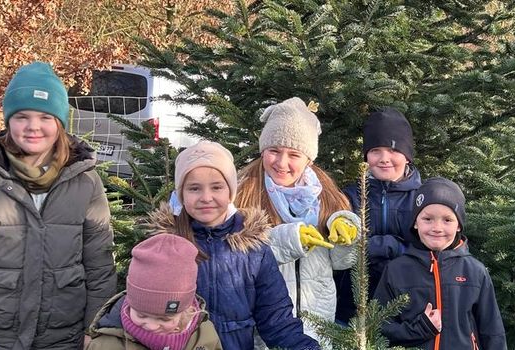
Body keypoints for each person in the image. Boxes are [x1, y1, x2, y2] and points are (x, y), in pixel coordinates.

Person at [0, 61, 116, 349]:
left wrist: (96, 332)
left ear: (60, 122)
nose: (33, 127)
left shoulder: (85, 182)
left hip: (61, 337)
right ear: (8, 121)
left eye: (45, 116)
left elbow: (100, 268)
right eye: (22, 117)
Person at [150, 141, 319, 349]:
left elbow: (277, 320)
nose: (206, 197)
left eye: (216, 187)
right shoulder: (165, 246)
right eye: (194, 188)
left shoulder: (253, 247)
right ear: (181, 194)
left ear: (230, 192)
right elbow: (141, 313)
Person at [235, 97, 361, 344]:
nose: (282, 163)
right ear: (263, 151)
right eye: (274, 151)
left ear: (309, 159)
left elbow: (341, 262)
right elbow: (237, 256)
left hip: (319, 324)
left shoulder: (327, 195)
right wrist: (289, 239)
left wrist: (347, 233)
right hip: (266, 330)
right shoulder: (242, 192)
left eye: (293, 154)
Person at [374, 177, 506, 349]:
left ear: (459, 225)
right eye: (427, 219)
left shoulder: (475, 271)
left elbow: (492, 330)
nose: (437, 228)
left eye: (447, 220)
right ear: (415, 222)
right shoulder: (396, 270)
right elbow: (378, 327)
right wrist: (420, 329)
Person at [336, 107, 423, 324]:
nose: (384, 159)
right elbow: (340, 245)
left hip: (407, 309)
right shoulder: (350, 196)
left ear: (407, 156)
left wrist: (393, 247)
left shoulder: (423, 198)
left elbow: (429, 247)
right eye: (375, 151)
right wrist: (383, 246)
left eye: (393, 150)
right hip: (351, 309)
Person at [86, 234, 222, 350]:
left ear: (184, 311)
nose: (151, 326)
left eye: (164, 318)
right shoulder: (106, 345)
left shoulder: (204, 335)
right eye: (141, 315)